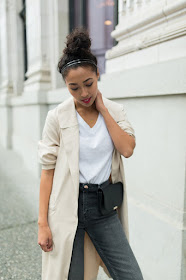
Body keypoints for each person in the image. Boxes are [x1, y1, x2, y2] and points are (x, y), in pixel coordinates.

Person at [37, 27, 144, 280]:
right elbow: (47, 174)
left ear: (98, 74)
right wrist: (42, 224)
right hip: (66, 206)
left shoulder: (115, 111)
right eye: (74, 88)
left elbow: (127, 149)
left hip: (103, 207)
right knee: (73, 276)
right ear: (65, 85)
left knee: (130, 275)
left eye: (88, 84)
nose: (83, 94)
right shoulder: (57, 117)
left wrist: (104, 111)